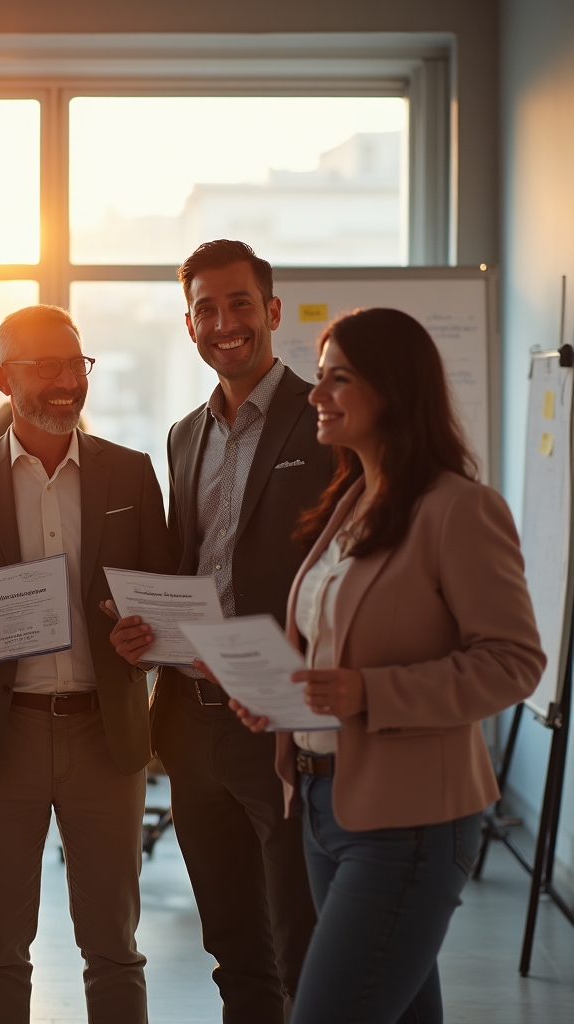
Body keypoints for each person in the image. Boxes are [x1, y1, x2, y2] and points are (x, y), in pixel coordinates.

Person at [219, 307, 545, 1024]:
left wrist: (368, 693)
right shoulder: (352, 502)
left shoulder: (459, 510)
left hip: (410, 820)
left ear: (393, 390)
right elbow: (330, 648)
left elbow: (513, 662)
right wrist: (283, 697)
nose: (316, 393)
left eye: (339, 377)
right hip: (319, 804)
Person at [0, 304, 174, 1024]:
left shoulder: (130, 474)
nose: (67, 382)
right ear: (3, 377)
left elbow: (161, 600)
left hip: (107, 732)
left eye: (76, 364)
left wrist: (146, 636)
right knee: (0, 950)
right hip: (5, 738)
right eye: (45, 367)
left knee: (115, 948)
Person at [107, 239, 332, 1022]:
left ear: (271, 312)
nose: (224, 322)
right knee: (232, 945)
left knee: (299, 938)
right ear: (189, 323)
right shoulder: (183, 435)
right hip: (190, 718)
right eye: (206, 308)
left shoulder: (325, 420)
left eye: (240, 304)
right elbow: (190, 567)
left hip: (276, 721)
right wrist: (144, 629)